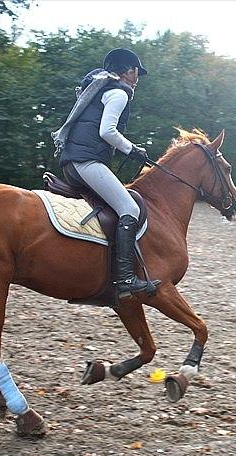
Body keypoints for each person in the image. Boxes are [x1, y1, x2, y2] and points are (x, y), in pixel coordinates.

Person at [54, 48, 160, 298]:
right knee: (130, 209)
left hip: (74, 162)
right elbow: (107, 131)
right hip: (86, 162)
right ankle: (124, 279)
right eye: (137, 72)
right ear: (128, 70)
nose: (138, 78)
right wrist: (131, 149)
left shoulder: (101, 88)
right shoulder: (118, 93)